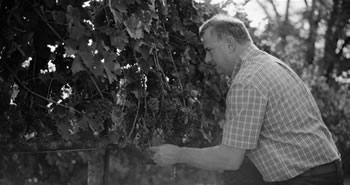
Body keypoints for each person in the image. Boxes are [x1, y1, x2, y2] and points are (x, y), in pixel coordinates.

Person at [148, 14, 343, 185]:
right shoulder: (269, 63)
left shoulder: (247, 81)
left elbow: (229, 159)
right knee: (238, 174)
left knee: (233, 168)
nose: (207, 59)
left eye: (210, 50)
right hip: (324, 169)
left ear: (230, 44)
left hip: (308, 179)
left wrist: (178, 154)